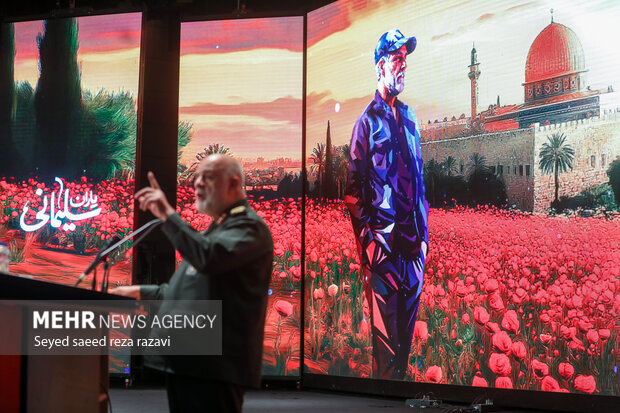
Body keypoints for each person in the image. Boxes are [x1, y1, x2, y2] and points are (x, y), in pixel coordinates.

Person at [111, 155, 273, 412]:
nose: (197, 183)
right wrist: (138, 292)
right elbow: (191, 290)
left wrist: (168, 215)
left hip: (213, 366)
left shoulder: (249, 227)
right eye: (197, 177)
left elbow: (207, 257)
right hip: (191, 361)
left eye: (207, 177)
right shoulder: (219, 229)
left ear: (233, 184)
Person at [344, 29, 429, 380]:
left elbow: (420, 183)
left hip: (412, 252)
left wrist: (424, 241)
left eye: (405, 59)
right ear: (381, 66)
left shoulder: (410, 119)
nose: (403, 65)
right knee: (385, 358)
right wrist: (370, 245)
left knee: (404, 353)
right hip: (383, 253)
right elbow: (353, 194)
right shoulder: (366, 124)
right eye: (397, 59)